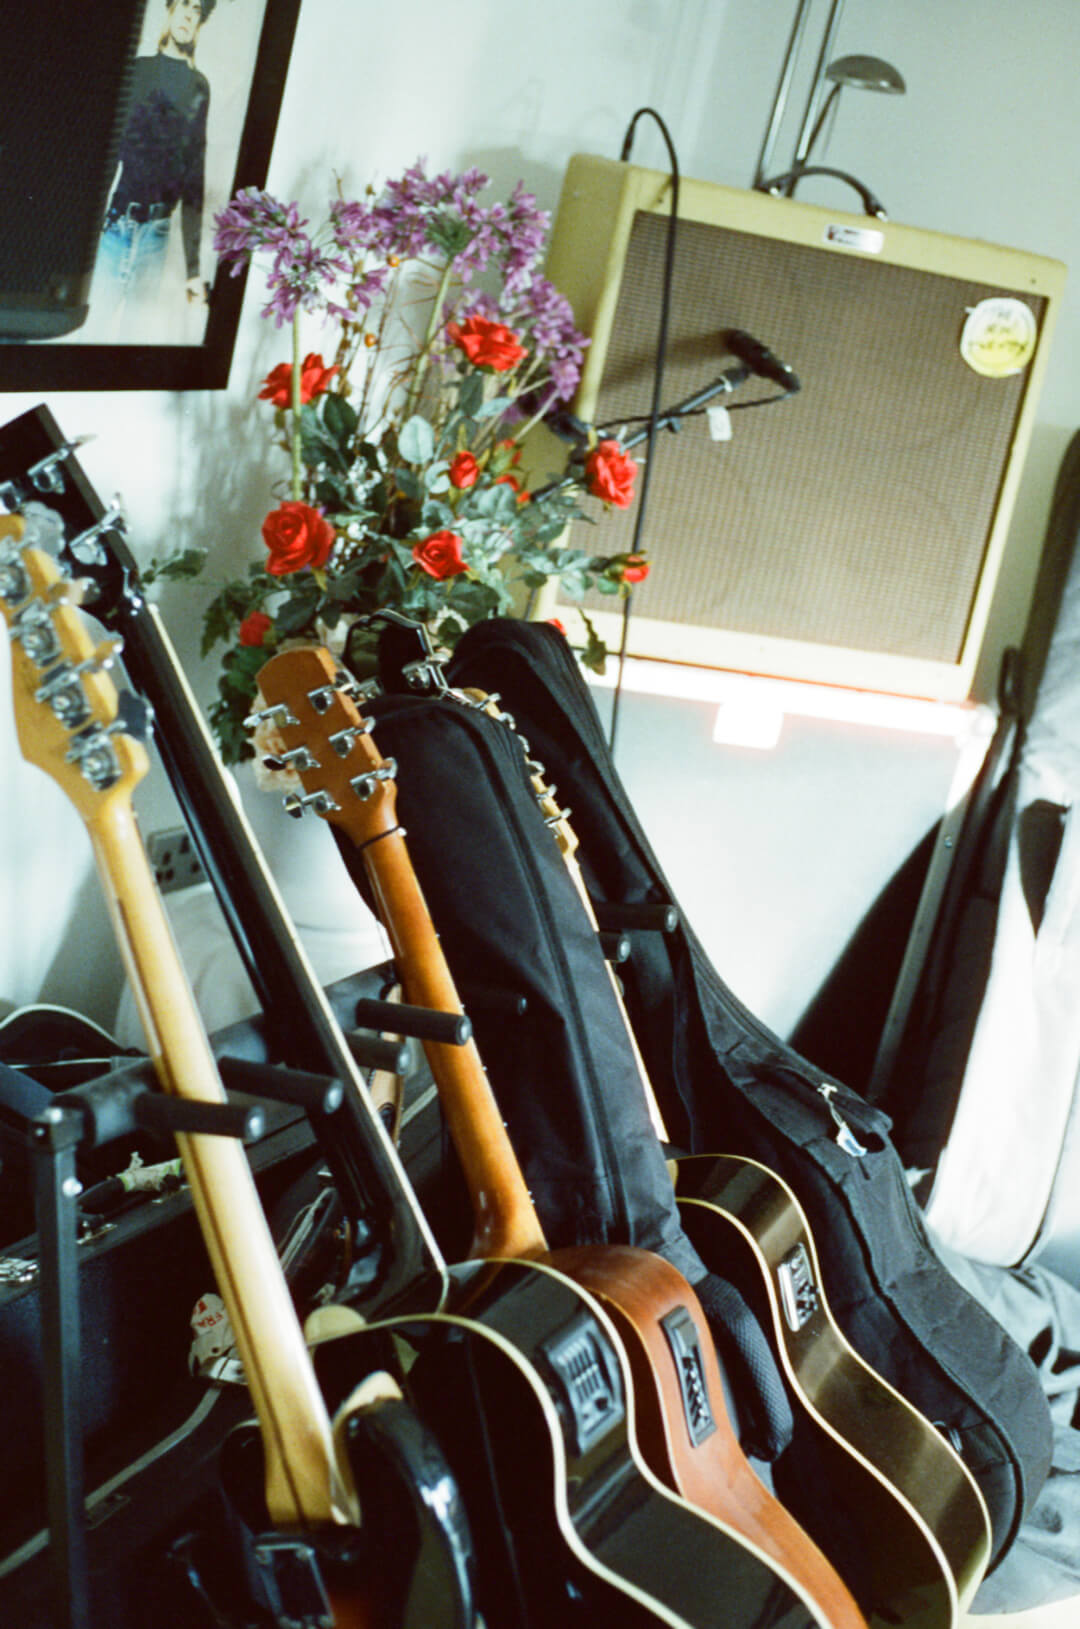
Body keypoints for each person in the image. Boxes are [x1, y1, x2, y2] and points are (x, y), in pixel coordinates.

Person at [92, 0, 215, 334]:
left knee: (133, 341)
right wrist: (86, 236)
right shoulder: (138, 70)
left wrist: (192, 270)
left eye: (197, 12)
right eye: (185, 5)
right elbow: (107, 154)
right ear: (171, 9)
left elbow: (194, 174)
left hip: (155, 239)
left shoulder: (198, 87)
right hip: (116, 229)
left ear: (200, 23)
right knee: (92, 332)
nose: (189, 16)